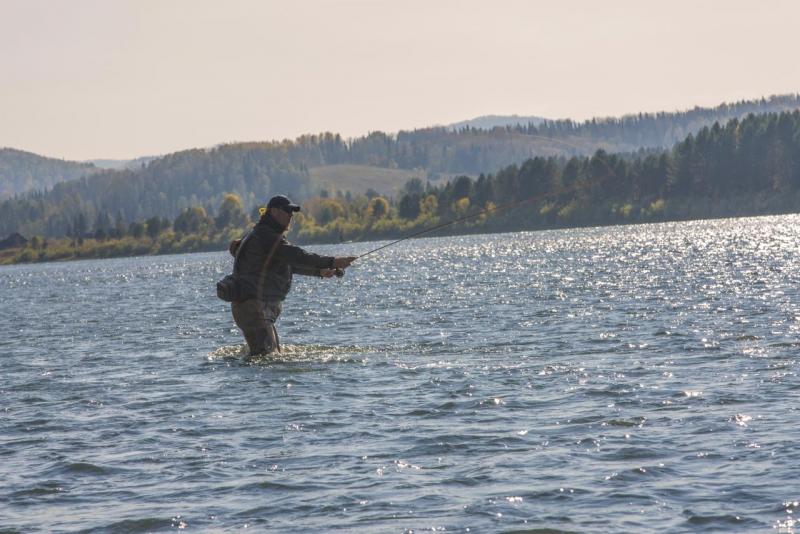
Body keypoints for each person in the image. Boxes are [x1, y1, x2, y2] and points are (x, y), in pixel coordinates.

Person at [227, 195, 356, 356]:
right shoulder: (267, 237)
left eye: (292, 212)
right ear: (274, 212)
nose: (291, 216)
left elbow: (288, 265)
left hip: (255, 309)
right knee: (266, 356)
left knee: (271, 354)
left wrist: (318, 271)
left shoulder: (265, 235)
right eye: (287, 211)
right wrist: (332, 261)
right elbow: (297, 255)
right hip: (253, 309)